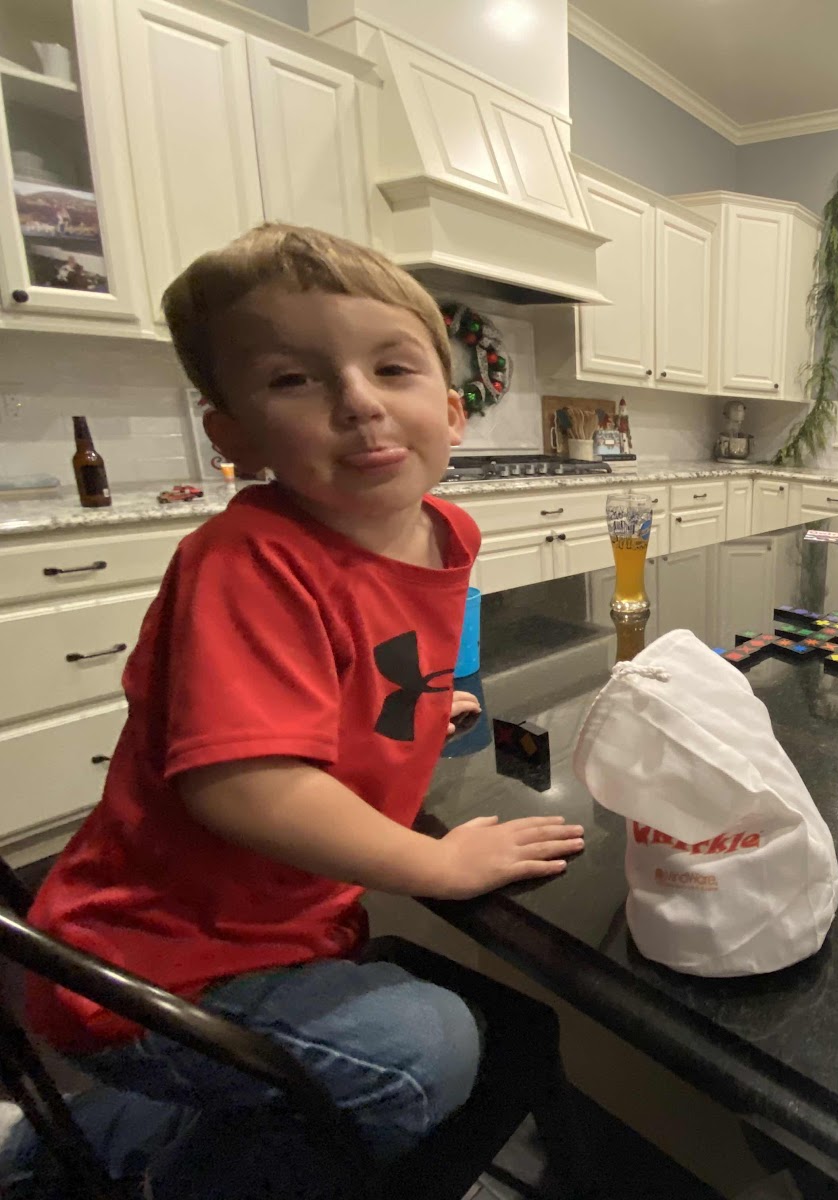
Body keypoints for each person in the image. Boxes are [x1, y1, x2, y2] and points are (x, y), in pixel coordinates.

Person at [0, 224, 586, 1197]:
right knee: (427, 1046)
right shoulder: (244, 561)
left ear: (451, 411)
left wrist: (405, 708)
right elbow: (247, 787)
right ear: (231, 435)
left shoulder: (445, 530)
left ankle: (43, 1159)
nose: (359, 402)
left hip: (278, 929)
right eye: (293, 380)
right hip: (153, 966)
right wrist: (439, 864)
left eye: (391, 368)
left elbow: (365, 659)